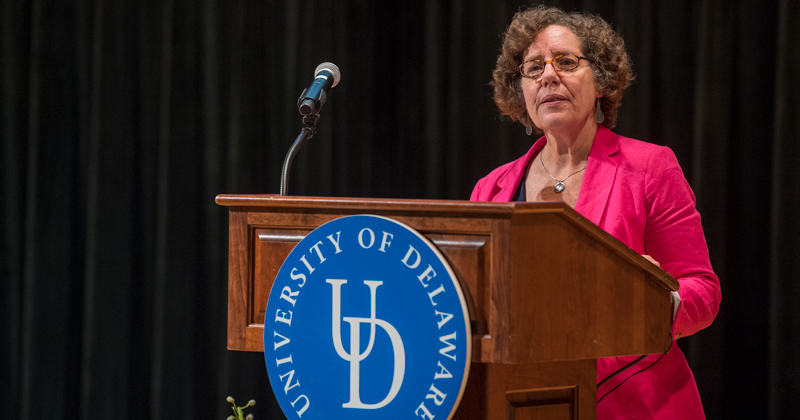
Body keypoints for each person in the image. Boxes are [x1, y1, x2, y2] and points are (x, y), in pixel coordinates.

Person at [470, 5, 721, 419]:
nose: (548, 75)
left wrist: (654, 298)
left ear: (601, 79)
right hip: (524, 401)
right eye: (533, 68)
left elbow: (704, 293)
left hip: (635, 403)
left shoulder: (650, 167)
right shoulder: (491, 188)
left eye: (566, 62)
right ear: (521, 90)